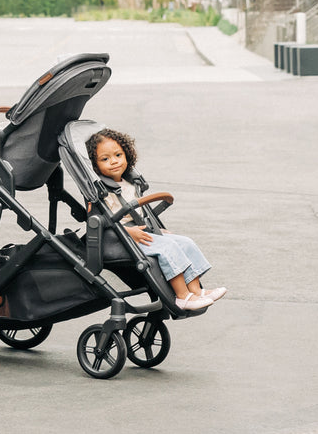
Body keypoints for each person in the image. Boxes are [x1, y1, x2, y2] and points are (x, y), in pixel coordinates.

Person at [86, 128, 227, 313]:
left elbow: (140, 214)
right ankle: (182, 297)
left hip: (141, 231)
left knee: (185, 243)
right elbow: (100, 221)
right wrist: (129, 232)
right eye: (105, 159)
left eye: (118, 155)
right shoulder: (102, 192)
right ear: (95, 165)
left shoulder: (129, 182)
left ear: (127, 154)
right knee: (167, 248)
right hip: (120, 238)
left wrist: (156, 230)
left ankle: (196, 291)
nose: (113, 161)